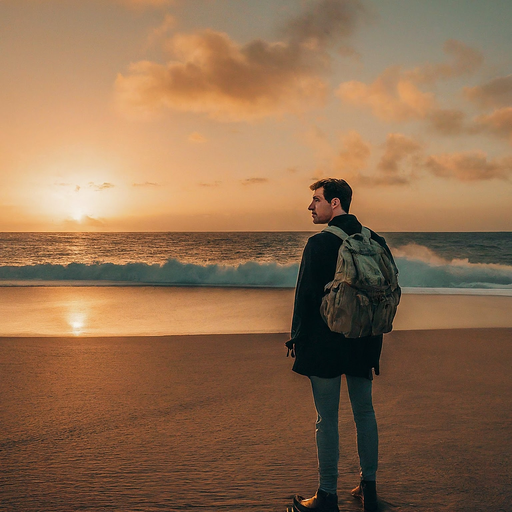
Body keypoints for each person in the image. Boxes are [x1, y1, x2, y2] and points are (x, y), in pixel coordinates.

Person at [286, 178, 395, 512]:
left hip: (325, 345)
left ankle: (327, 495)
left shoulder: (319, 244)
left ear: (335, 203)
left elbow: (304, 298)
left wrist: (297, 340)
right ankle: (369, 488)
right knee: (365, 412)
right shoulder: (375, 240)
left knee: (327, 419)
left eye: (316, 200)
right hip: (365, 339)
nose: (310, 206)